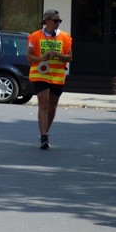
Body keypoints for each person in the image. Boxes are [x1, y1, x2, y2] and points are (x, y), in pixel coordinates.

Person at [27, 9, 73, 150]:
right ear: (46, 21)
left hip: (57, 76)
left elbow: (70, 57)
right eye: (55, 20)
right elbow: (29, 57)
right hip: (40, 75)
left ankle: (45, 131)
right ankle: (44, 136)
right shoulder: (35, 36)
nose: (58, 23)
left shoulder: (65, 37)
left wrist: (58, 55)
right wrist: (42, 58)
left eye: (59, 21)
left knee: (52, 106)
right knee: (44, 104)